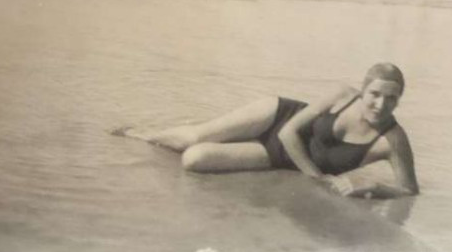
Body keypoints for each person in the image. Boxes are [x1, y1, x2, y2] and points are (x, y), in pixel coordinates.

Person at [120, 63, 418, 199]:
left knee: (194, 159)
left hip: (279, 157)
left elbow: (409, 190)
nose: (381, 104)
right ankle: (142, 133)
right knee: (196, 137)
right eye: (375, 94)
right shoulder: (343, 95)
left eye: (392, 98)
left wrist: (375, 188)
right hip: (277, 118)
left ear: (399, 100)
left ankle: (213, 131)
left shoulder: (393, 139)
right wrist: (318, 178)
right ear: (363, 90)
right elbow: (289, 132)